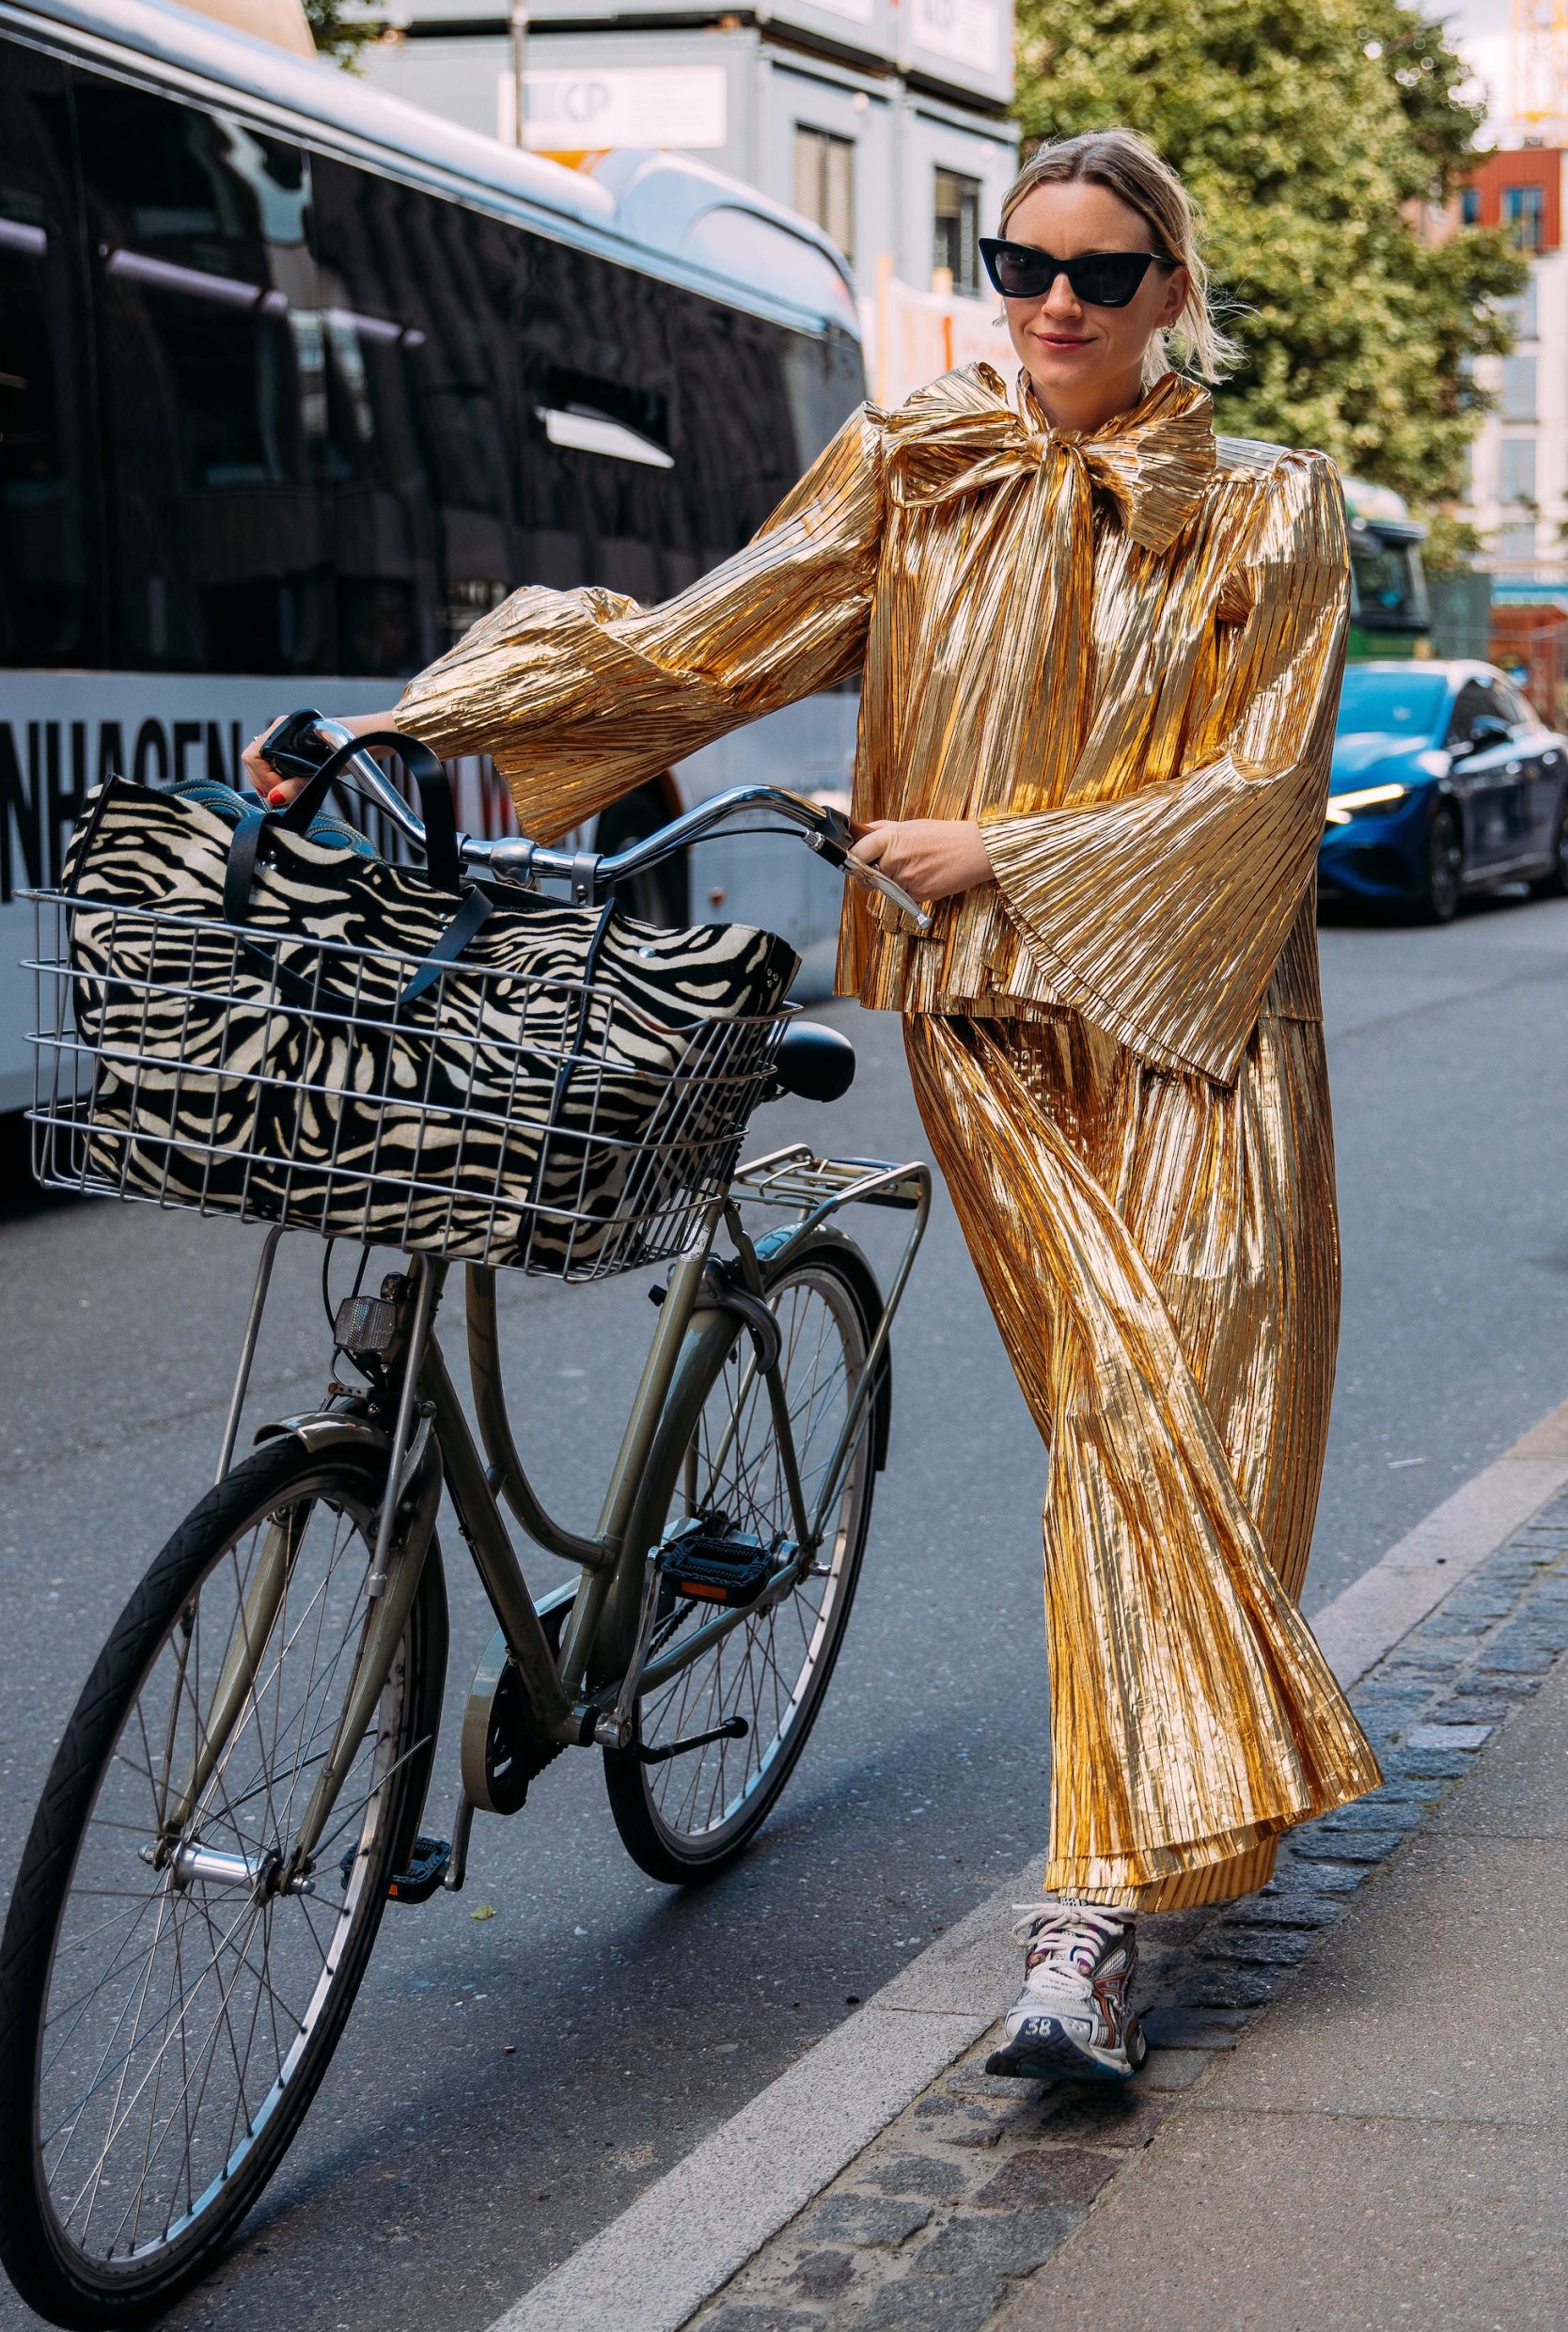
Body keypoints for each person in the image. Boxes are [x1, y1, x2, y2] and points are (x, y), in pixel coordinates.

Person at [246, 124, 1380, 2086]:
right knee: (1113, 1425)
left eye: (1098, 275)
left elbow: (1264, 796)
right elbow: (701, 639)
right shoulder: (912, 460)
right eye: (1015, 258)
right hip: (978, 1024)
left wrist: (1009, 851)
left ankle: (1128, 1865)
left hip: (1197, 1024)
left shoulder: (1271, 511)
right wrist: (403, 718)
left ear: (1167, 296)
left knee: (1184, 1422)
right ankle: (1092, 1913)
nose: (1049, 301)